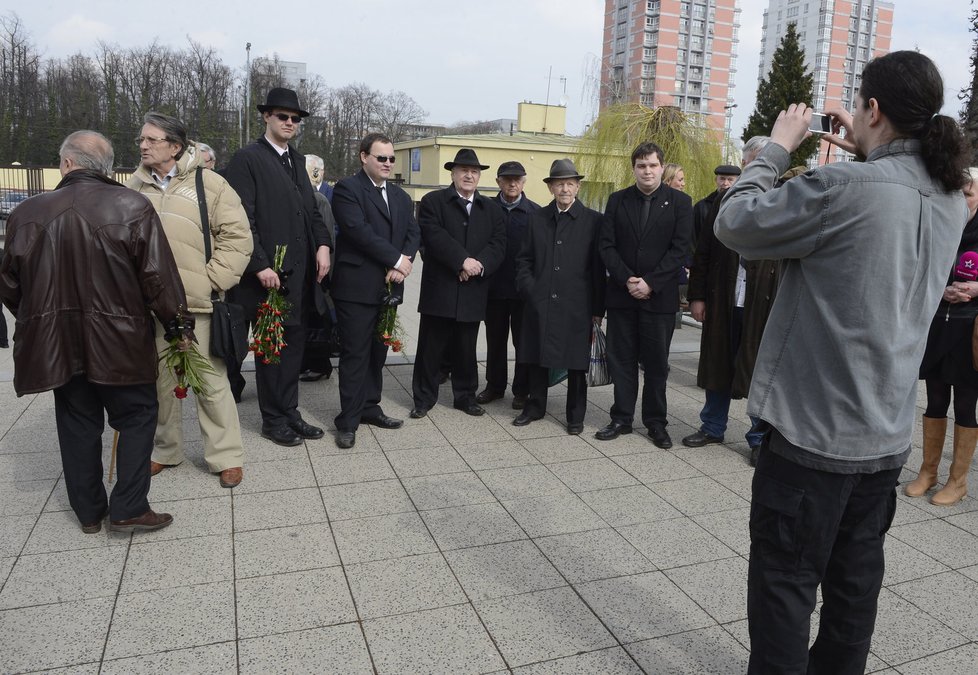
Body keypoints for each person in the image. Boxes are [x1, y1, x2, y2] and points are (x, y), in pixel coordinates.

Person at [714, 51, 969, 673]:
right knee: (854, 597)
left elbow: (735, 222)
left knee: (784, 590)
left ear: (873, 109)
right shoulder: (949, 196)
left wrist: (773, 149)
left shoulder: (842, 187)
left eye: (860, 104)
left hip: (812, 438)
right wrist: (863, 153)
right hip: (883, 438)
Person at [0, 130, 192, 533]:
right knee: (138, 415)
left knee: (76, 422)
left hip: (59, 344)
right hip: (120, 343)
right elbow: (159, 278)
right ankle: (128, 507)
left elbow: (12, 288)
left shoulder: (27, 213)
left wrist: (44, 320)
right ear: (105, 168)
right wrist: (178, 326)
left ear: (67, 164)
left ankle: (89, 512)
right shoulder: (131, 204)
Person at [127, 112, 252, 489]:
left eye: (151, 139)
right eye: (142, 139)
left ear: (175, 147)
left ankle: (226, 456)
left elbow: (238, 238)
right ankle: (165, 450)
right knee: (160, 385)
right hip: (150, 307)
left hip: (197, 306)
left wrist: (210, 282)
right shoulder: (134, 187)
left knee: (211, 384)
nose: (143, 145)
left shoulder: (210, 184)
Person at [224, 87, 332, 447]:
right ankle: (273, 419)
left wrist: (324, 247)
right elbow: (242, 219)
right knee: (272, 349)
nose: (289, 122)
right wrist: (260, 265)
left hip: (300, 277)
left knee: (294, 348)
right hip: (267, 278)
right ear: (267, 117)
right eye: (282, 116)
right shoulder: (248, 158)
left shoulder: (298, 162)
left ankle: (290, 411)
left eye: (295, 118)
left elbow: (313, 213)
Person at [682, 136, 779, 466]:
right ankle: (712, 426)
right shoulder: (725, 199)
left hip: (763, 304)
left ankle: (758, 437)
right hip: (723, 297)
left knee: (758, 371)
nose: (756, 169)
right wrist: (696, 296)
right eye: (751, 163)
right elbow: (703, 253)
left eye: (764, 163)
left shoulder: (782, 198)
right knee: (718, 362)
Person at [596, 142, 693, 448]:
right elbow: (606, 246)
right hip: (622, 298)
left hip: (659, 299)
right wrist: (627, 279)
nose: (647, 171)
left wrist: (650, 282)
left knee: (655, 365)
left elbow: (680, 249)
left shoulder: (680, 202)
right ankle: (621, 417)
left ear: (661, 167)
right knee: (622, 360)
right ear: (633, 168)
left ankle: (656, 422)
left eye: (652, 165)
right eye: (641, 166)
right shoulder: (617, 200)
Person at [331, 133, 420, 448]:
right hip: (357, 288)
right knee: (356, 354)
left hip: (390, 287)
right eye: (381, 158)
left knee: (377, 351)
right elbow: (358, 232)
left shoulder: (399, 195)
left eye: (391, 159)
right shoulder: (347, 190)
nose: (387, 163)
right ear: (363, 157)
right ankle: (348, 420)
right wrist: (395, 258)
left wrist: (403, 262)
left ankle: (370, 406)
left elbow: (413, 230)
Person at [410, 148, 505, 419]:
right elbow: (433, 236)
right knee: (431, 347)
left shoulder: (492, 209)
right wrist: (462, 261)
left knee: (466, 347)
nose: (469, 175)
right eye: (463, 170)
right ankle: (424, 398)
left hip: (473, 289)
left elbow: (498, 244)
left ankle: (465, 397)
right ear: (452, 173)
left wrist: (477, 266)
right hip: (441, 288)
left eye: (474, 171)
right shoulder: (432, 202)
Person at [513, 159, 605, 434]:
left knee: (577, 363)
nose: (564, 189)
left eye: (569, 184)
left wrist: (598, 308)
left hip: (578, 303)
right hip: (539, 301)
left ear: (577, 186)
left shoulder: (593, 221)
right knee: (536, 356)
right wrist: (530, 289)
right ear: (551, 187)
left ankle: (575, 415)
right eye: (559, 184)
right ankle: (535, 406)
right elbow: (524, 260)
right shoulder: (536, 219)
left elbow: (598, 269)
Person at [910, 167, 978, 506]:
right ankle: (927, 472)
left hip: (971, 331)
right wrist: (942, 288)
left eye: (968, 195)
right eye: (958, 195)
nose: (963, 201)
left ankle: (958, 480)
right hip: (939, 323)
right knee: (935, 400)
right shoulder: (940, 225)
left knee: (965, 405)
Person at [477, 160, 541, 410]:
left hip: (523, 292)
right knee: (495, 341)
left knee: (522, 342)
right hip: (493, 289)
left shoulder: (536, 213)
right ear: (498, 182)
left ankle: (522, 390)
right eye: (507, 179)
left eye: (517, 179)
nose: (512, 183)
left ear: (524, 182)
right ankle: (494, 386)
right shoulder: (486, 209)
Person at [298, 153, 337, 383]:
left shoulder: (319, 199)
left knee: (318, 319)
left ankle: (320, 364)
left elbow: (326, 237)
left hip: (318, 272)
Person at [692, 164, 740, 247]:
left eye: (730, 180)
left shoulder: (743, 206)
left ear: (738, 182)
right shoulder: (701, 207)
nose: (725, 183)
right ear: (716, 180)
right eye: (722, 179)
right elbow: (694, 237)